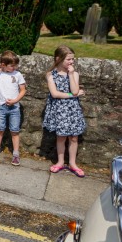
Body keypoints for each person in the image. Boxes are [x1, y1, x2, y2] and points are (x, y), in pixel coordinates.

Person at [43, 45, 87, 177]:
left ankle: (73, 164)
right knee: (61, 137)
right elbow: (55, 94)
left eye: (73, 59)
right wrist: (73, 95)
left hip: (72, 110)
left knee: (74, 138)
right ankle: (60, 161)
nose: (71, 62)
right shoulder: (50, 75)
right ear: (58, 59)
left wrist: (71, 74)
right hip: (59, 109)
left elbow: (74, 89)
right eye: (68, 59)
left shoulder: (74, 74)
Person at [0, 50, 27, 165]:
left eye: (16, 65)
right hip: (1, 107)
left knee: (14, 131)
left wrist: (15, 100)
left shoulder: (17, 74)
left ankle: (16, 153)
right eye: (12, 65)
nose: (15, 67)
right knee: (0, 129)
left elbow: (23, 90)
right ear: (3, 64)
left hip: (14, 108)